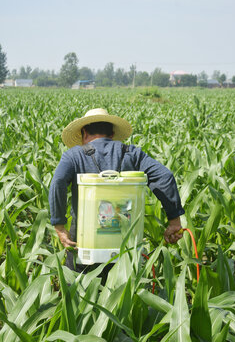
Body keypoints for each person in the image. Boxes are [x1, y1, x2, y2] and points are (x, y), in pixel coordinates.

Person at [49, 108, 185, 272]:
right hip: (125, 244)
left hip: (85, 243)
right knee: (123, 293)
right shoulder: (132, 153)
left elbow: (58, 181)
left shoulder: (74, 155)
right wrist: (174, 220)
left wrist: (59, 225)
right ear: (112, 133)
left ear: (84, 133)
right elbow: (165, 176)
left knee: (77, 290)